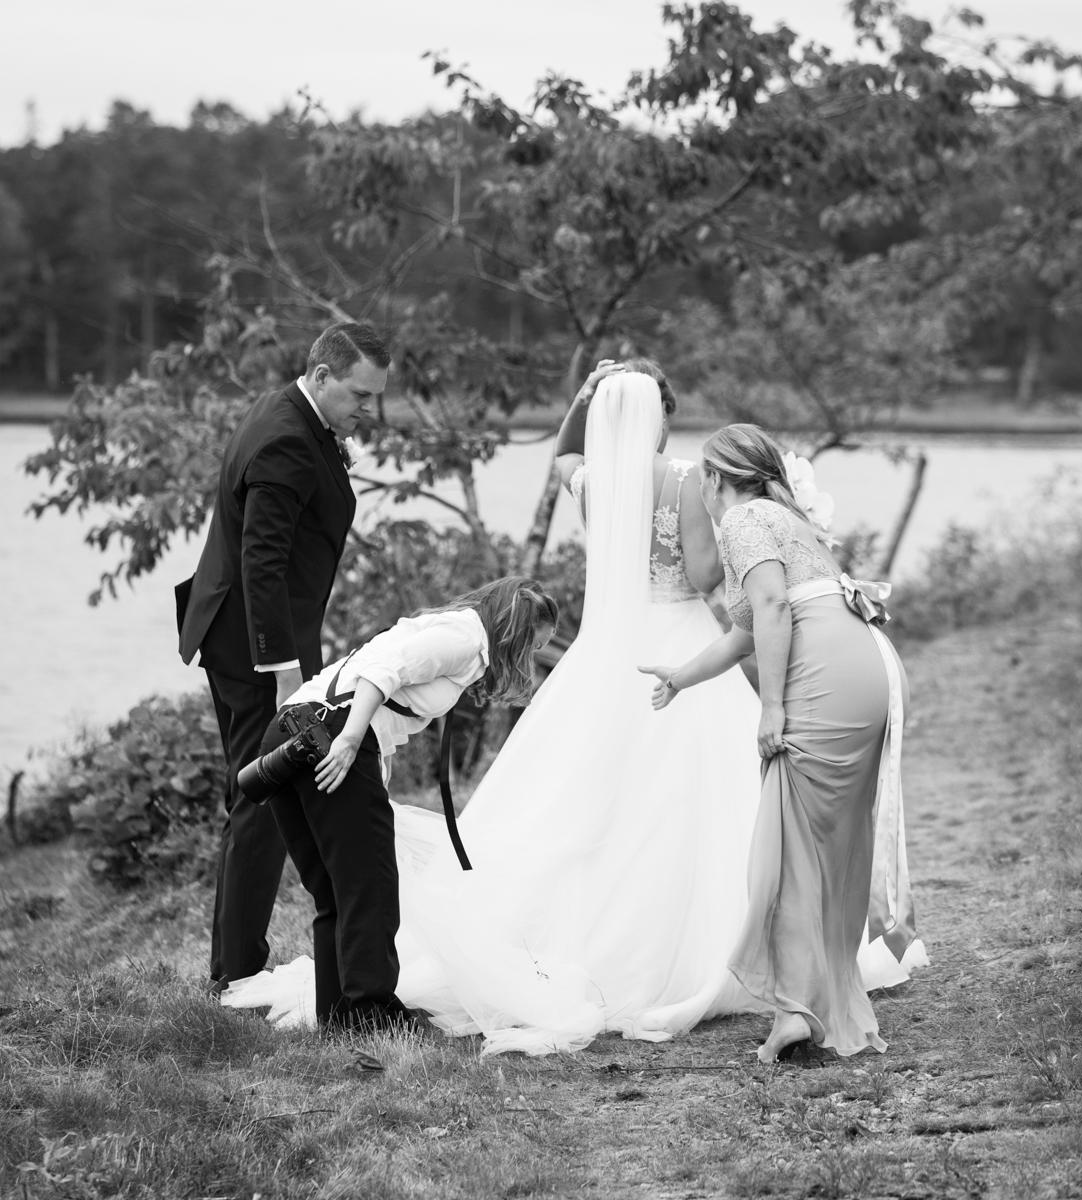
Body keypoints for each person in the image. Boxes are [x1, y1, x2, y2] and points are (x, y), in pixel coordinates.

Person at [225, 369, 922, 1054]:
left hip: (608, 650)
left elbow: (564, 458)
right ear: (660, 421)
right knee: (708, 797)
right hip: (678, 631)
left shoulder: (597, 484)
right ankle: (762, 950)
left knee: (584, 795)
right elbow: (708, 578)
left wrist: (582, 401)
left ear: (606, 421)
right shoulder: (683, 480)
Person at [641, 423, 920, 1060]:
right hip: (865, 667)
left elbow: (772, 610)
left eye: (703, 479)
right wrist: (680, 678)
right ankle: (812, 999)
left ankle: (797, 1009)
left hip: (826, 677)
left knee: (792, 846)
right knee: (825, 844)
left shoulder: (742, 521)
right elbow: (745, 629)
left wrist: (771, 709)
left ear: (715, 479)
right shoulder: (784, 518)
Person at [237, 577, 558, 1033]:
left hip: (293, 729)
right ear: (516, 630)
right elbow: (382, 670)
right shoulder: (465, 639)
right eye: (533, 645)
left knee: (335, 887)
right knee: (372, 887)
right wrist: (349, 740)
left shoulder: (454, 632)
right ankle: (371, 1011)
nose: (529, 657)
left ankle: (339, 1012)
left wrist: (371, 772)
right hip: (332, 734)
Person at [176, 321, 390, 990]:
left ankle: (234, 963)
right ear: (322, 377)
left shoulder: (285, 409)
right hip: (254, 648)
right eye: (359, 395)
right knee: (263, 799)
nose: (368, 410)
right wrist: (288, 676)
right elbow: (261, 563)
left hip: (252, 634)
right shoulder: (287, 441)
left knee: (262, 796)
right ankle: (235, 973)